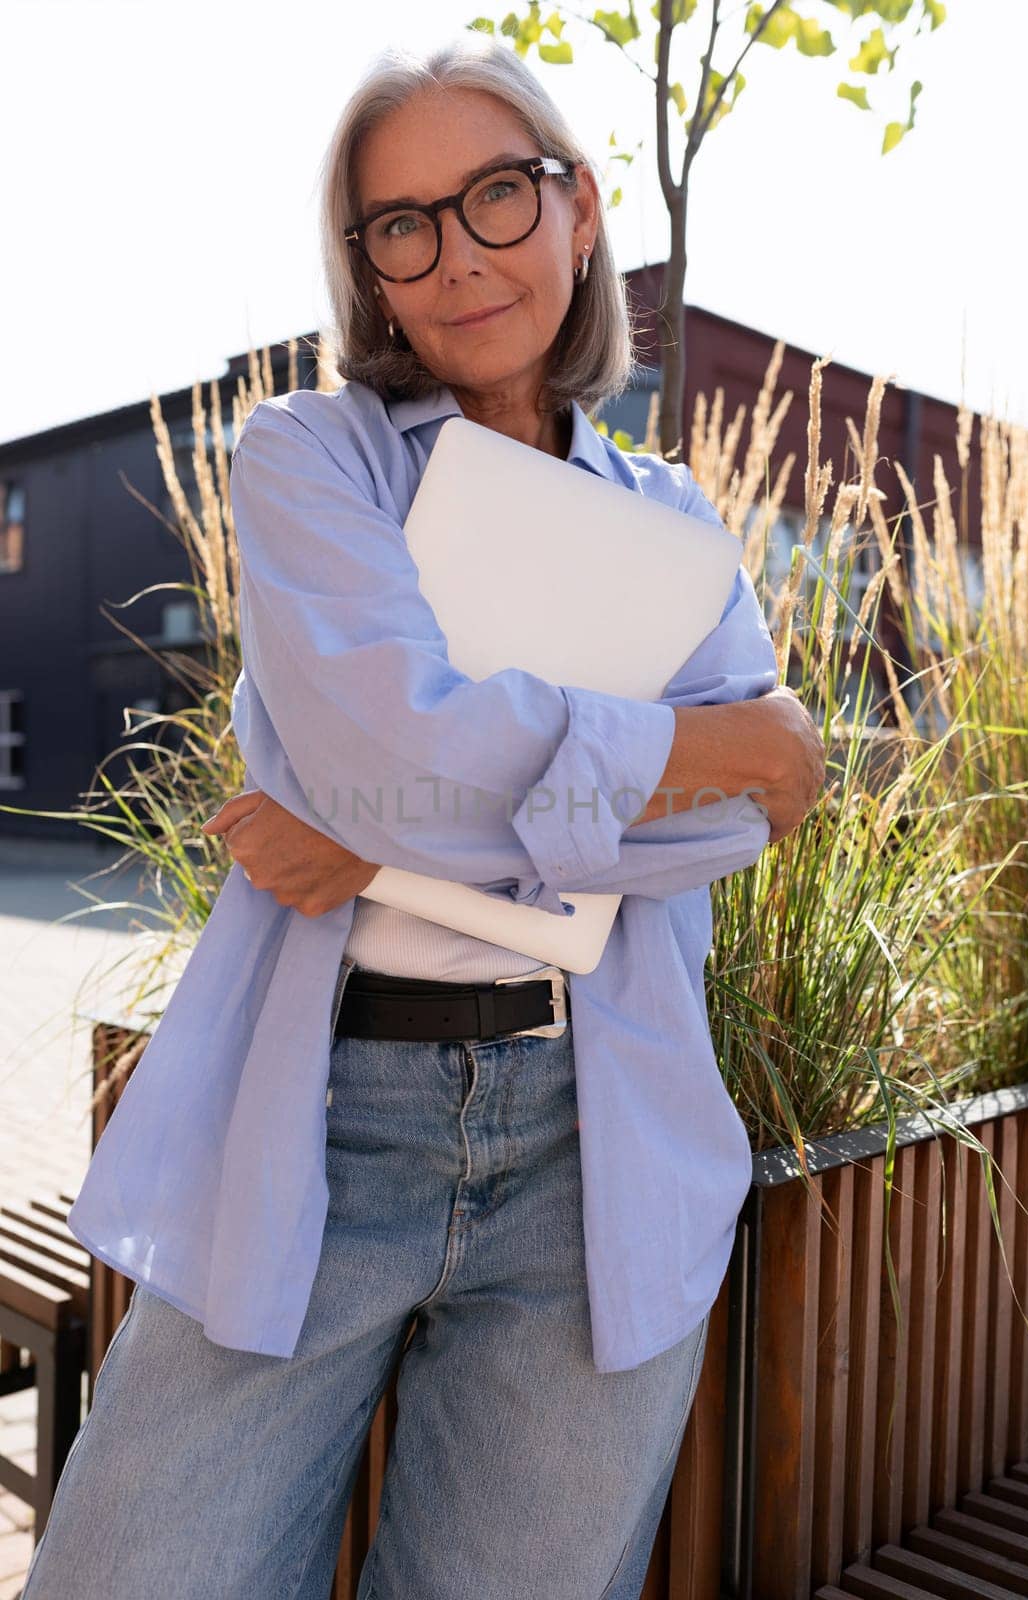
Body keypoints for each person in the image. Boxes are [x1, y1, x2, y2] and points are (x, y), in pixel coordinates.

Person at [23, 31, 824, 1600]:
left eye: (497, 199)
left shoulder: (670, 523)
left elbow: (743, 824)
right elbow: (401, 746)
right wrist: (700, 744)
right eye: (404, 224)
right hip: (325, 1119)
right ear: (369, 270)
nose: (455, 256)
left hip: (602, 1139)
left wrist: (375, 842)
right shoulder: (310, 459)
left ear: (582, 213)